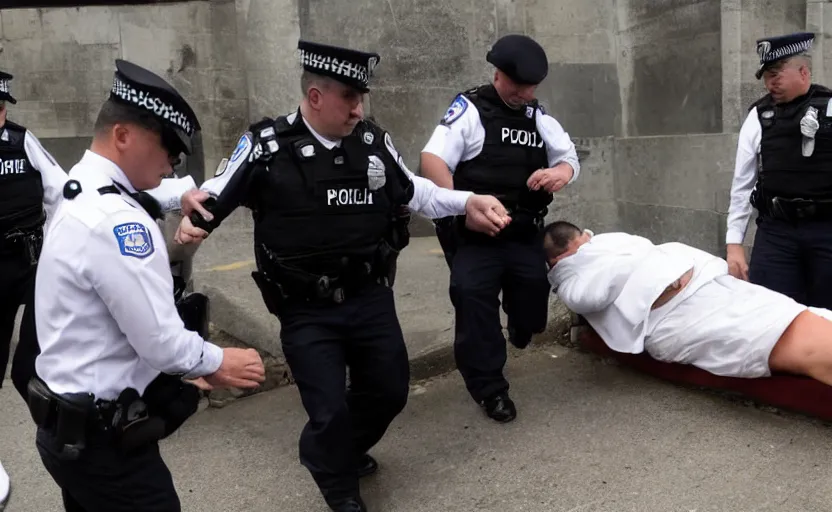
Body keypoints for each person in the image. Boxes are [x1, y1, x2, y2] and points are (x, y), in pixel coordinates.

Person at [175, 39, 511, 512]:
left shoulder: (372, 141)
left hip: (370, 295)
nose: (359, 108)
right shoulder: (268, 146)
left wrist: (466, 201)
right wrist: (195, 220)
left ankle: (331, 450)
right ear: (315, 97)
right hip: (304, 307)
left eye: (361, 98)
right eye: (349, 99)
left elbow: (416, 193)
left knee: (390, 391)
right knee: (328, 408)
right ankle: (340, 485)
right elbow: (215, 191)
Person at [28, 59, 266, 512]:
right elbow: (160, 340)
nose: (172, 162)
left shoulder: (80, 187)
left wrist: (178, 192)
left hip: (66, 433)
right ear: (123, 136)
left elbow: (135, 192)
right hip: (106, 444)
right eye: (167, 150)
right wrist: (218, 362)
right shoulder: (117, 224)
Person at [419, 34, 580, 423]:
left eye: (532, 87)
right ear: (499, 74)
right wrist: (461, 207)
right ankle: (490, 388)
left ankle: (520, 329)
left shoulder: (537, 117)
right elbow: (432, 160)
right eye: (519, 86)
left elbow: (569, 156)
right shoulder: (470, 110)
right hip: (477, 235)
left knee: (532, 306)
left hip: (523, 231)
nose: (526, 93)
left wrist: (560, 173)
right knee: (473, 297)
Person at [545, 221, 832, 385]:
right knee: (770, 333)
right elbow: (595, 295)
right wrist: (646, 268)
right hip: (675, 318)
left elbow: (642, 246)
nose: (593, 248)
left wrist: (649, 263)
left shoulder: (607, 241)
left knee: (779, 308)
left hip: (708, 281)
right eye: (585, 248)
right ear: (562, 258)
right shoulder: (571, 282)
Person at [725, 32, 832, 308]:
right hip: (777, 233)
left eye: (776, 73)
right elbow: (742, 184)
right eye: (766, 75)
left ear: (803, 71)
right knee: (770, 314)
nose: (769, 82)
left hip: (827, 230)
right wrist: (734, 243)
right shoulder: (758, 116)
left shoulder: (830, 107)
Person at [0, 70, 68, 404]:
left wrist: (54, 244)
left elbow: (62, 191)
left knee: (38, 360)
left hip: (31, 266)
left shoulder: (22, 141)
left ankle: (65, 435)